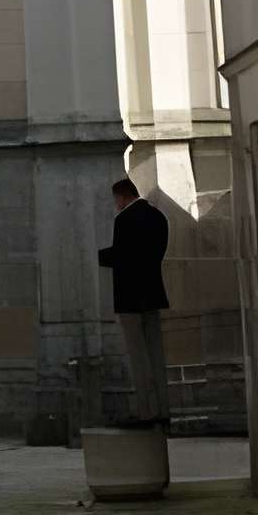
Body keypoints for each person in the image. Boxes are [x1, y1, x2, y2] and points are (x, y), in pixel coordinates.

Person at [99, 176, 170, 426]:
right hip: (153, 292)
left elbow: (121, 256)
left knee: (138, 356)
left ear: (121, 196)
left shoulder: (124, 220)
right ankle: (163, 409)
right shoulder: (158, 217)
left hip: (130, 295)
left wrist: (96, 256)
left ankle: (146, 411)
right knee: (156, 354)